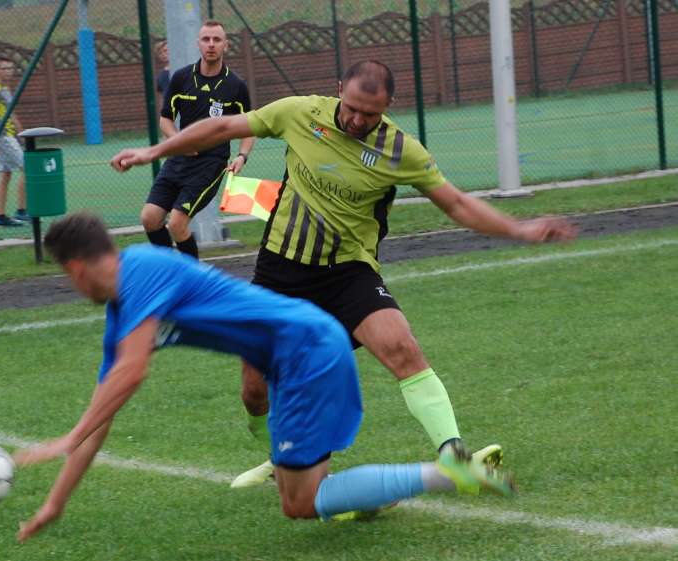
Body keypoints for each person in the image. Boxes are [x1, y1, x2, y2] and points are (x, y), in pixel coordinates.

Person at [111, 60, 578, 488]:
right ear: (339, 92)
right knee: (254, 391)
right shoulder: (299, 113)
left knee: (402, 347)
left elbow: (455, 203)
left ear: (387, 108)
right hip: (280, 271)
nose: (358, 121)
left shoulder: (401, 150)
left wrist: (520, 228)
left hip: (347, 272)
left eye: (370, 114)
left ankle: (453, 452)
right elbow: (224, 126)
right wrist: (156, 152)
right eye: (352, 108)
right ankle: (282, 457)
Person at [13, 212, 514, 542]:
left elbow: (133, 372)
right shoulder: (124, 314)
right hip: (301, 351)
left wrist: (69, 434)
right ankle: (380, 494)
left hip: (302, 351)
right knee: (306, 493)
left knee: (300, 503)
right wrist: (54, 503)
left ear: (76, 268)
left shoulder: (142, 268)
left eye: (66, 277)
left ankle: (448, 474)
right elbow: (108, 405)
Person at [141, 20, 255, 259]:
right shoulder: (181, 78)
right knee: (149, 218)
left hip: (210, 164)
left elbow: (249, 128)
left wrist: (242, 156)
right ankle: (172, 271)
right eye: (206, 39)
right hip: (178, 160)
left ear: (226, 45)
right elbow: (165, 120)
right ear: (198, 44)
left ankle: (192, 281)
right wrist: (179, 141)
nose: (211, 45)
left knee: (177, 224)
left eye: (216, 40)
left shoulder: (236, 86)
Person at [0, 56, 29, 227]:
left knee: (6, 174)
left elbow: (11, 113)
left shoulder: (6, 89)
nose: (8, 71)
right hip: (2, 137)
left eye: (10, 68)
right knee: (28, 168)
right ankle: (21, 211)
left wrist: (21, 133)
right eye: (4, 68)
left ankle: (0, 216)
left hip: (10, 136)